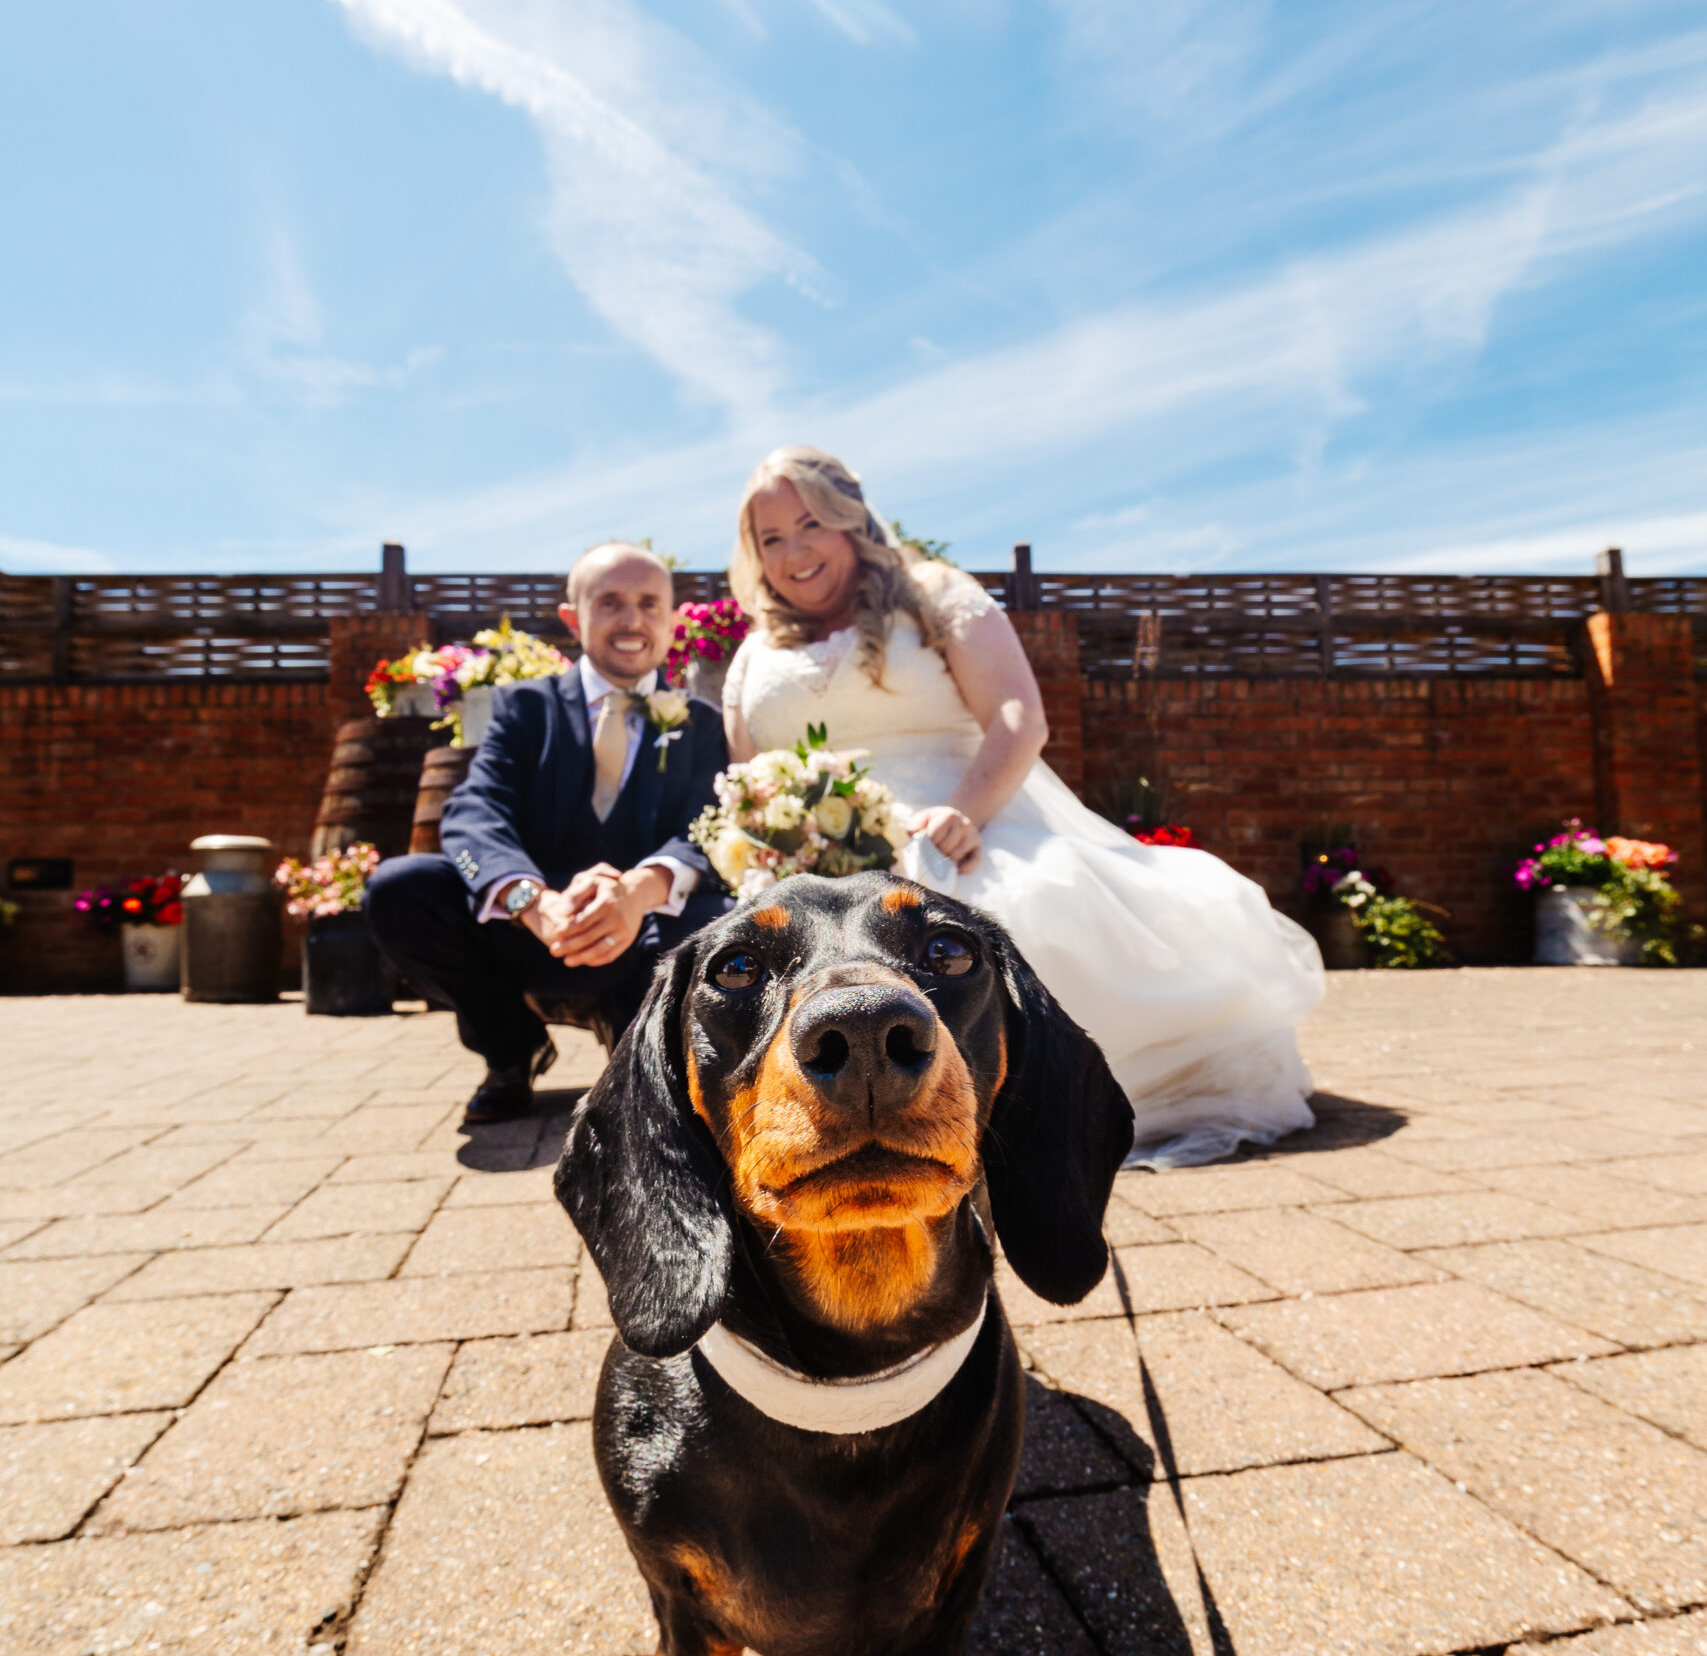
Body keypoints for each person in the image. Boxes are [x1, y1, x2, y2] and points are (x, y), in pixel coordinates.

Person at [722, 447, 1326, 1166]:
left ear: (851, 520)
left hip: (957, 823)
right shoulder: (753, 651)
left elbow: (1017, 713)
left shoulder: (930, 593)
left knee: (1017, 917)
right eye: (770, 539)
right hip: (815, 864)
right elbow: (745, 776)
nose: (793, 553)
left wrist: (964, 815)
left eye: (809, 524)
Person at [366, 543, 729, 1125]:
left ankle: (638, 1041)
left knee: (721, 914)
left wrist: (638, 892)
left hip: (644, 933)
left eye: (647, 604)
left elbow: (707, 827)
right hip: (530, 925)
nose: (632, 620)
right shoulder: (522, 708)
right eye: (610, 602)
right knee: (400, 887)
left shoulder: (701, 722)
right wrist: (530, 902)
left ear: (671, 618)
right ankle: (513, 1049)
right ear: (573, 618)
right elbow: (473, 811)